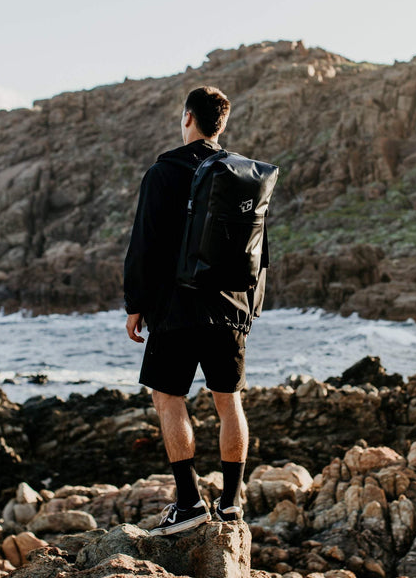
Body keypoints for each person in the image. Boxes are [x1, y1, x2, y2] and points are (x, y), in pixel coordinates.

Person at [123, 85, 267, 536]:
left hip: (177, 307)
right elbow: (260, 249)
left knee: (168, 398)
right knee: (229, 402)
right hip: (231, 307)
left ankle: (188, 503)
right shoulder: (243, 174)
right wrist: (250, 308)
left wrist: (136, 305)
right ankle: (231, 503)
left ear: (188, 117)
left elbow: (143, 244)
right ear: (220, 123)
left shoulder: (163, 172)